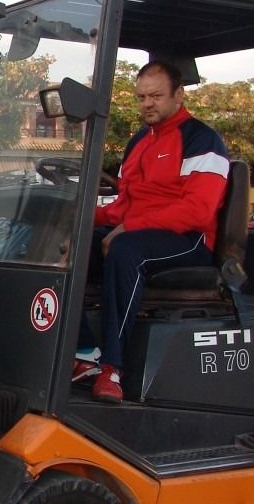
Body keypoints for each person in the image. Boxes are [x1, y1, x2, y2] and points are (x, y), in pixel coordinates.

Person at [73, 60, 230, 404]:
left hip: (188, 240)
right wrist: (79, 217)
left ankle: (113, 368)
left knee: (125, 250)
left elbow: (197, 211)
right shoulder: (139, 142)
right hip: (138, 232)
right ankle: (83, 350)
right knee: (69, 244)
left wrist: (129, 227)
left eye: (156, 96)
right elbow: (123, 207)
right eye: (142, 97)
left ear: (178, 94)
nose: (147, 104)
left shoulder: (202, 140)